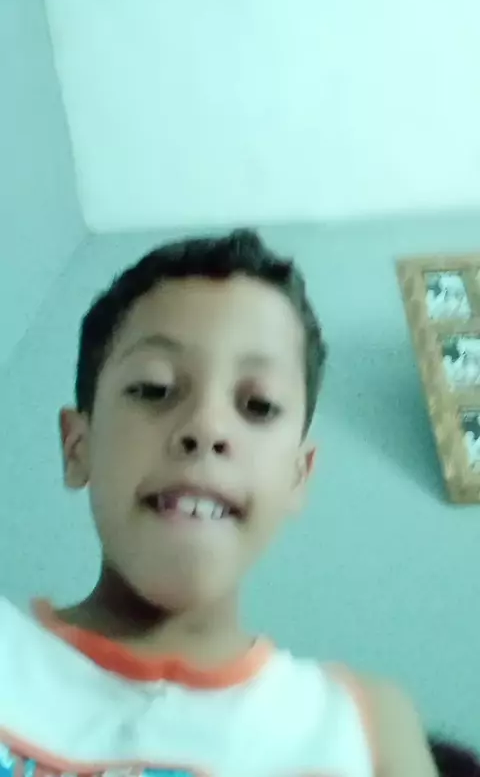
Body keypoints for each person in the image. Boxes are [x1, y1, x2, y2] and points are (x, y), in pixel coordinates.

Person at [0, 229, 438, 777]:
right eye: (154, 388)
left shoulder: (361, 726)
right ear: (77, 447)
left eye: (258, 405)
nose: (206, 427)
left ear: (298, 475)